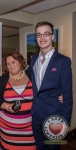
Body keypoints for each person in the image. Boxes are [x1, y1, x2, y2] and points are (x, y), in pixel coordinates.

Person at [26, 21, 73, 150]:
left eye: (46, 34)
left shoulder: (63, 61)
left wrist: (64, 122)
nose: (42, 38)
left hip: (54, 117)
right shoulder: (34, 59)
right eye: (38, 35)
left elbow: (67, 94)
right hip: (36, 114)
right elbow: (27, 76)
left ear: (53, 36)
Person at [0, 52, 36, 150]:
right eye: (8, 64)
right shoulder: (3, 79)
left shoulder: (32, 76)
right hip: (8, 130)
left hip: (30, 129)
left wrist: (58, 95)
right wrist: (7, 106)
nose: (11, 66)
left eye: (13, 62)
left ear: (20, 62)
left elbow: (44, 90)